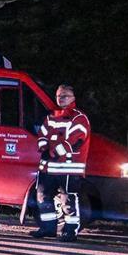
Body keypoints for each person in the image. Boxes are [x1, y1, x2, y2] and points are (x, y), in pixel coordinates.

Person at [30, 84, 90, 242]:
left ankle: (70, 232)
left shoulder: (79, 118)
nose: (61, 98)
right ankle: (48, 228)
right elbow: (42, 134)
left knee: (68, 200)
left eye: (65, 96)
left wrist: (52, 153)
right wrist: (43, 147)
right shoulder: (51, 117)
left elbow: (75, 140)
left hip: (68, 168)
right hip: (48, 167)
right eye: (58, 96)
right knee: (43, 197)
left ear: (73, 98)